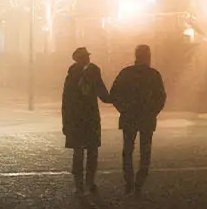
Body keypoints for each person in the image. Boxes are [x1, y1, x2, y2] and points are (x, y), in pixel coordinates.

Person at [109, 44, 166, 195]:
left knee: (128, 150)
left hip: (129, 117)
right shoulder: (153, 74)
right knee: (145, 151)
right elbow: (161, 97)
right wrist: (153, 112)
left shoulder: (126, 73)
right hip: (147, 117)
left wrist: (123, 109)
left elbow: (114, 94)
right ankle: (139, 183)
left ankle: (129, 182)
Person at [61, 47, 110, 195]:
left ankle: (81, 184)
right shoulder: (92, 71)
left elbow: (66, 99)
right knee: (90, 150)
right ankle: (88, 182)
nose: (87, 59)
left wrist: (66, 121)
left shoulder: (73, 73)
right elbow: (102, 92)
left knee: (81, 151)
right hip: (89, 116)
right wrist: (115, 99)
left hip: (78, 117)